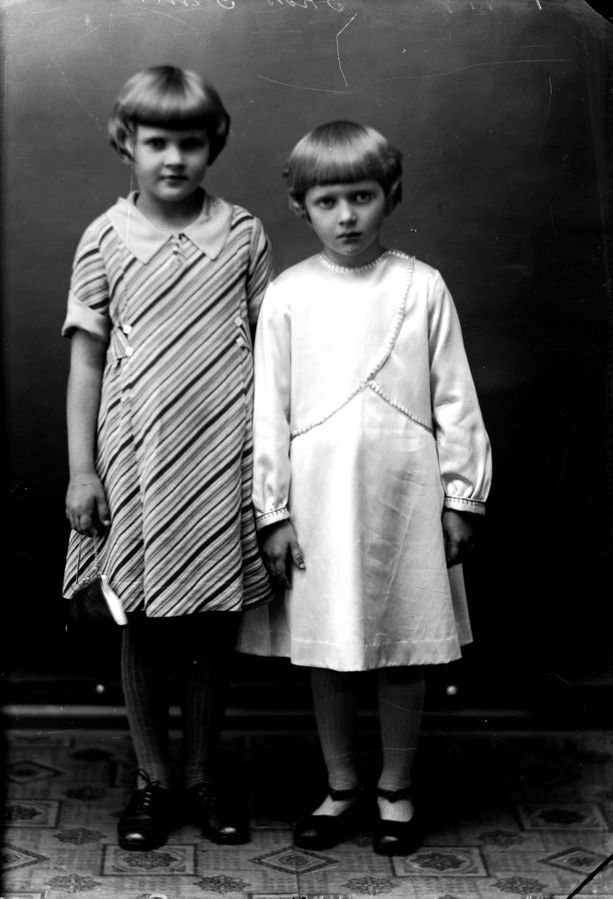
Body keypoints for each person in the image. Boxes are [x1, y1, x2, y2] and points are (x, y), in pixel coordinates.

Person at [237, 120, 492, 856]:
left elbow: (455, 397)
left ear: (390, 196)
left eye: (361, 197)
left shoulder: (421, 285)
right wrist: (273, 511)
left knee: (401, 643)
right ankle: (342, 783)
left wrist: (460, 497)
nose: (345, 216)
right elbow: (269, 409)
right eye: (327, 202)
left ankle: (396, 788)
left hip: (404, 492)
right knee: (328, 642)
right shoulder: (288, 294)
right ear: (302, 207)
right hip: (318, 498)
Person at [62, 65, 272, 851]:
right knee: (143, 621)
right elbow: (86, 363)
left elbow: (272, 350)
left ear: (213, 143)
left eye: (190, 142)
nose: (174, 158)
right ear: (127, 143)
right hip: (137, 455)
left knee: (214, 619)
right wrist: (83, 469)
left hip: (222, 452)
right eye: (156, 142)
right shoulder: (104, 237)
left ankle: (204, 776)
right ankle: (154, 780)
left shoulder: (244, 233)